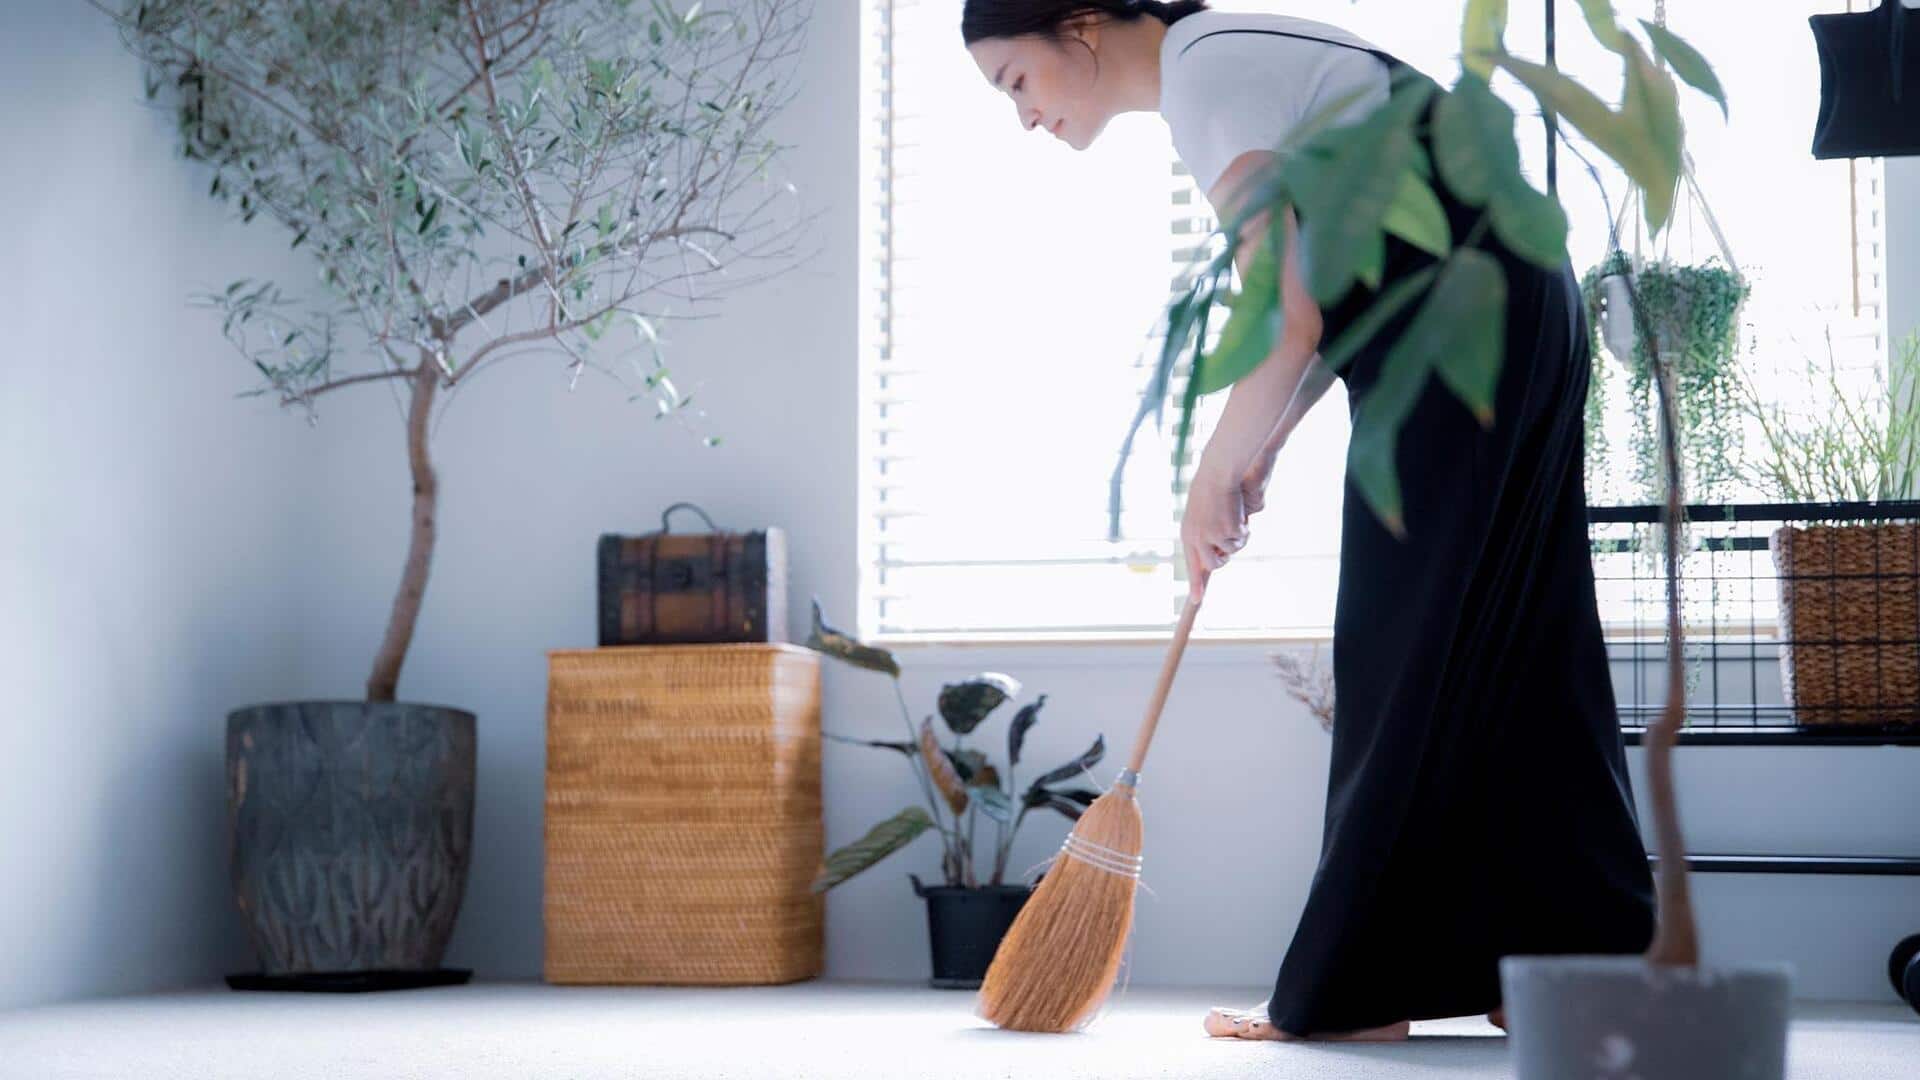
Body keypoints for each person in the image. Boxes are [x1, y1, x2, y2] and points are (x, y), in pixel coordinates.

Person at [962, 0, 1657, 1043]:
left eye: (1015, 82)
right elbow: (1333, 299)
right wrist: (1267, 445)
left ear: (1084, 24)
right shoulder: (1246, 55)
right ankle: (1559, 974)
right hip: (1518, 297)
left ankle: (1356, 991)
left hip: (1457, 324)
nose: (1023, 118)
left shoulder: (1206, 74)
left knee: (1399, 640)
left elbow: (1282, 314)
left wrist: (1210, 473)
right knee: (1519, 641)